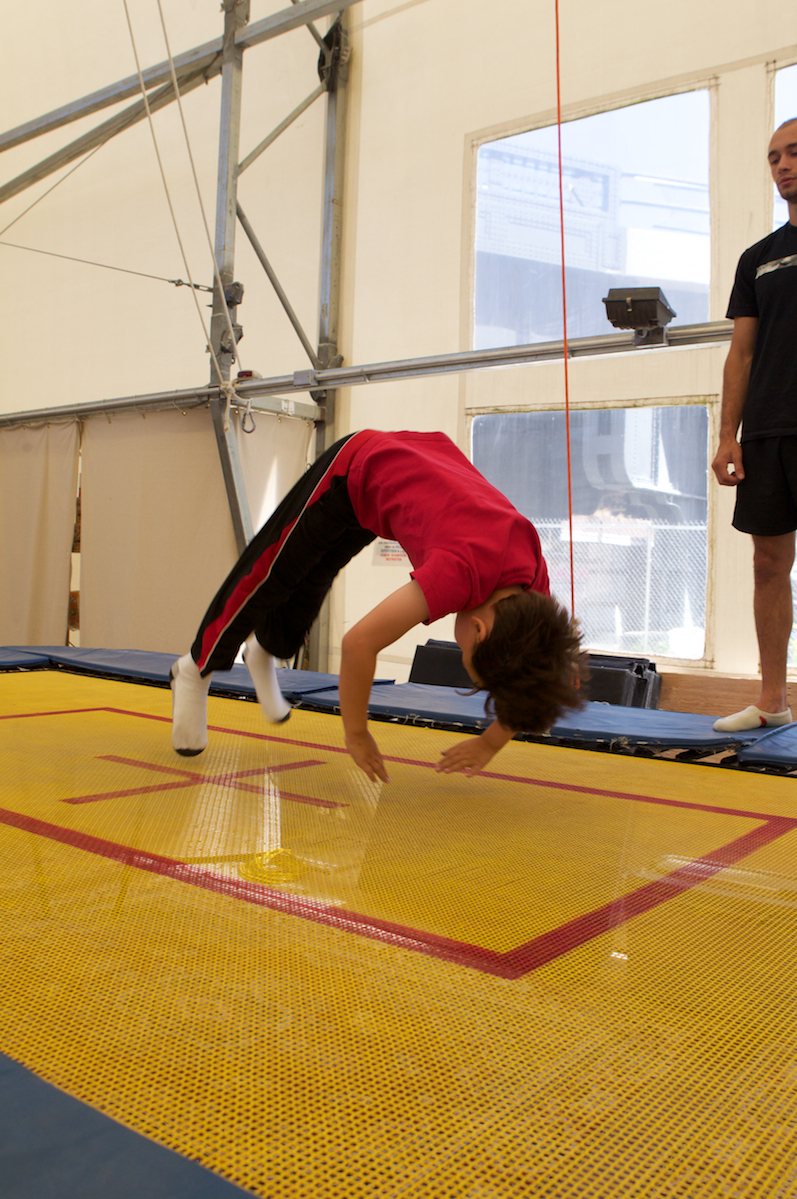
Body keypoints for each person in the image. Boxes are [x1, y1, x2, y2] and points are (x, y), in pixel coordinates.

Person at [170, 428, 585, 780]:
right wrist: (356, 733)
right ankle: (195, 668)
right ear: (478, 630)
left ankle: (264, 649)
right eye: (466, 656)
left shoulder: (532, 599)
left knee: (313, 577)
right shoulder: (458, 573)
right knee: (270, 571)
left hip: (397, 485)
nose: (460, 649)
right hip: (359, 464)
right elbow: (359, 644)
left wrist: (490, 744)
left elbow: (539, 676)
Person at [712, 117, 797, 732]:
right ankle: (772, 702)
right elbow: (741, 353)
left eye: (793, 153)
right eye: (774, 158)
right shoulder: (758, 259)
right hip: (768, 432)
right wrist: (727, 436)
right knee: (768, 564)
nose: (783, 166)